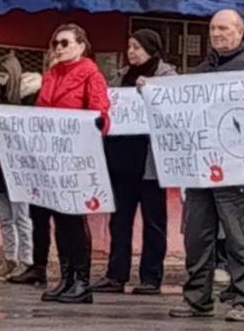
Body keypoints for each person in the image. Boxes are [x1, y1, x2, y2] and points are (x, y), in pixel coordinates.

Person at [168, 9, 244, 322]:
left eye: (223, 28)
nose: (217, 34)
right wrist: (152, 94)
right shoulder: (201, 69)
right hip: (202, 168)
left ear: (239, 32)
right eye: (213, 29)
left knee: (242, 237)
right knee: (197, 236)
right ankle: (197, 299)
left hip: (239, 170)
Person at [30, 23, 111, 304]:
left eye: (65, 43)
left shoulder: (92, 75)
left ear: (80, 45)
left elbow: (101, 113)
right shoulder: (51, 75)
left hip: (76, 157)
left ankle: (82, 280)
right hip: (52, 158)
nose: (59, 48)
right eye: (56, 43)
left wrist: (95, 124)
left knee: (74, 220)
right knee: (58, 220)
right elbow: (41, 111)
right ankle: (66, 278)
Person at [92, 30, 174, 295]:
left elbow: (172, 112)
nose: (132, 52)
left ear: (151, 48)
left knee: (153, 222)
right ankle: (116, 275)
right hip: (122, 161)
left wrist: (150, 92)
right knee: (120, 221)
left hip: (150, 162)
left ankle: (151, 277)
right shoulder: (119, 77)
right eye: (129, 46)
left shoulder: (166, 77)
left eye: (137, 47)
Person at [0, 53, 42, 282]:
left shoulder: (27, 100)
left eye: (4, 75)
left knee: (22, 217)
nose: (0, 80)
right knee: (5, 218)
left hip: (19, 169)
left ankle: (26, 259)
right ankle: (10, 257)